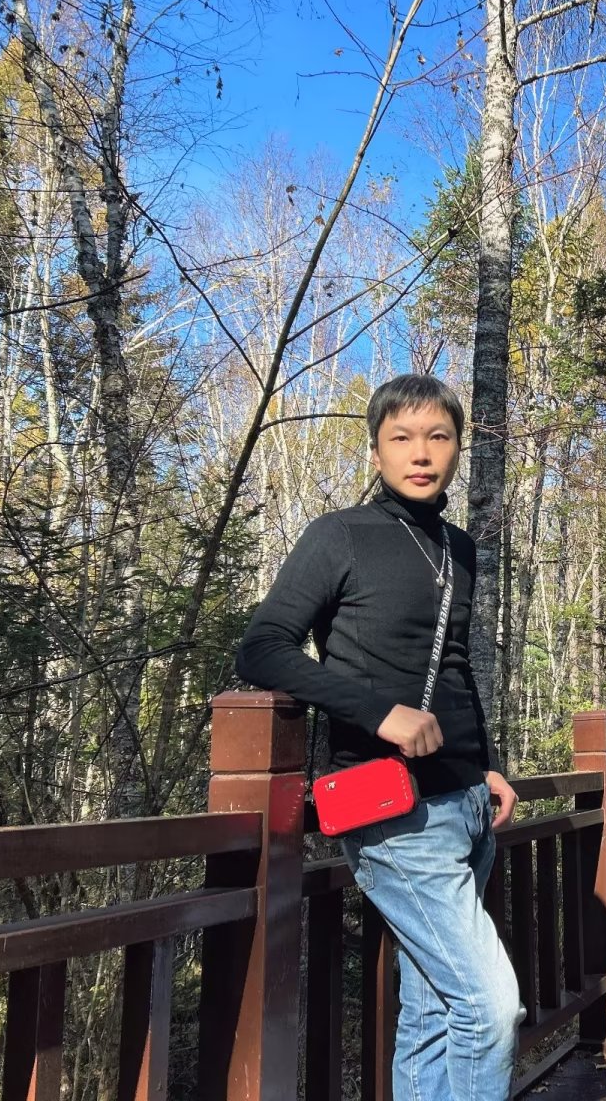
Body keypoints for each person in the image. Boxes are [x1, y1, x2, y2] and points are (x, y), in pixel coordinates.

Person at [235, 373, 522, 1101]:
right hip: (393, 813)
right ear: (376, 452)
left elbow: (452, 665)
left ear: (456, 448)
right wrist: (379, 712)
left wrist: (485, 767)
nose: (420, 453)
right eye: (401, 438)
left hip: (465, 806)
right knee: (491, 1007)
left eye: (438, 437)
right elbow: (263, 649)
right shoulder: (340, 536)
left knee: (432, 1012)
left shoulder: (458, 546)